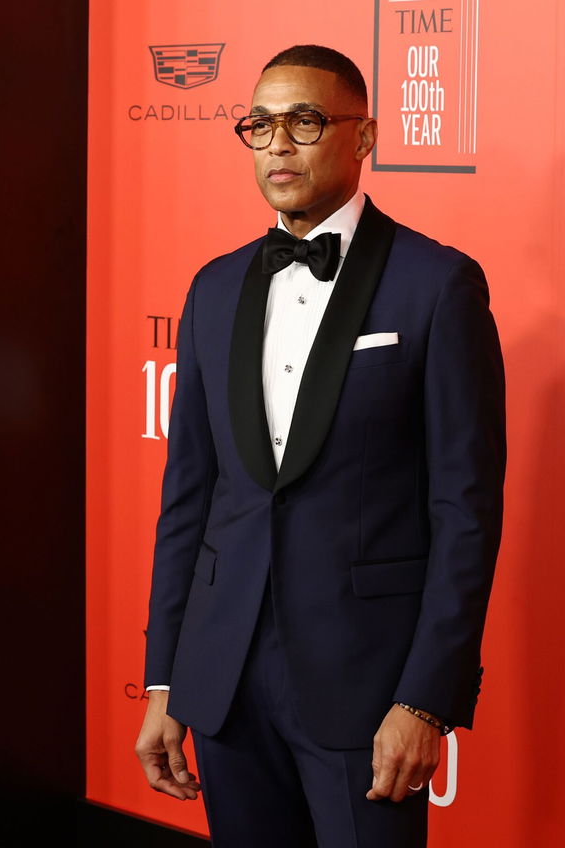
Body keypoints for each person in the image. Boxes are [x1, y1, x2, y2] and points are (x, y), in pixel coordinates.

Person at [133, 44, 506, 847]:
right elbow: (189, 499)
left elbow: (464, 512)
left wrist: (425, 700)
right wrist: (166, 678)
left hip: (367, 691)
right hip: (224, 684)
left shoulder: (437, 284)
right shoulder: (215, 286)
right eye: (260, 125)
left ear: (364, 136)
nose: (277, 145)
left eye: (304, 121)